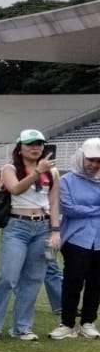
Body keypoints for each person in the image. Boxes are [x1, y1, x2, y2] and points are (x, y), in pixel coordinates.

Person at [0, 129, 63, 341]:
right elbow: (15, 189)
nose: (36, 148)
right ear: (20, 147)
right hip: (17, 226)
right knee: (7, 277)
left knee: (33, 279)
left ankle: (22, 327)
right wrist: (37, 172)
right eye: (30, 144)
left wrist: (55, 231)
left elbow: (54, 203)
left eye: (39, 144)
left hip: (42, 226)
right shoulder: (10, 168)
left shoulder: (53, 172)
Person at [53, 138, 100, 339]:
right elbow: (69, 208)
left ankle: (88, 322)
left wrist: (88, 210)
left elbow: (78, 208)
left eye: (99, 161)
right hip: (75, 239)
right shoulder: (67, 181)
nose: (94, 165)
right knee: (72, 281)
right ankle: (67, 323)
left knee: (96, 283)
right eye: (91, 160)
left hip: (99, 241)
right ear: (82, 157)